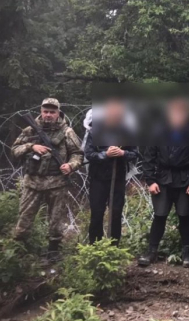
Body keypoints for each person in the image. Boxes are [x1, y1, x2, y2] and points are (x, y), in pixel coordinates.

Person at [11, 98, 84, 261]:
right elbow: (14, 150)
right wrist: (31, 146)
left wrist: (70, 166)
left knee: (56, 218)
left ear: (58, 113)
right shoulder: (30, 130)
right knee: (25, 217)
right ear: (41, 112)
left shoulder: (67, 132)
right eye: (46, 111)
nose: (48, 115)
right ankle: (18, 251)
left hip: (56, 183)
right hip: (33, 182)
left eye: (52, 112)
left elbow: (77, 154)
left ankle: (53, 251)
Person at [139, 99, 189, 268]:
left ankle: (187, 253)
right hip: (162, 180)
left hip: (185, 180)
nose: (177, 117)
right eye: (174, 113)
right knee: (159, 216)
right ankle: (151, 251)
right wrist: (150, 180)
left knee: (185, 216)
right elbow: (148, 158)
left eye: (181, 114)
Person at [84, 100, 140, 245]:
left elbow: (135, 153)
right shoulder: (95, 131)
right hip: (98, 178)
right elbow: (89, 154)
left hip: (118, 178)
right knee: (97, 212)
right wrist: (105, 155)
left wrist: (123, 153)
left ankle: (114, 246)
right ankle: (95, 246)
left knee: (115, 212)